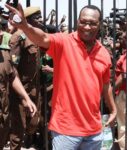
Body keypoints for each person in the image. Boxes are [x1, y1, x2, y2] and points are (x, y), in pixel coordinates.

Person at [6, 3, 117, 150]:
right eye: (83, 22)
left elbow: (105, 85)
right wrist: (25, 27)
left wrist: (113, 110)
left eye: (92, 23)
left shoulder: (103, 53)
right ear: (78, 21)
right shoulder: (64, 42)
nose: (87, 27)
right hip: (66, 131)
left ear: (100, 24)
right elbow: (43, 38)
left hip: (94, 131)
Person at [8, 6, 45, 150]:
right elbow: (12, 69)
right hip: (20, 92)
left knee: (34, 124)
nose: (41, 21)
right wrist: (22, 96)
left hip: (34, 90)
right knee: (18, 130)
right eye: (37, 18)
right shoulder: (19, 37)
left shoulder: (35, 36)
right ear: (27, 20)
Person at [0, 19, 37, 150]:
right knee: (18, 128)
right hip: (14, 96)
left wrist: (25, 98)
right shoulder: (17, 38)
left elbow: (12, 74)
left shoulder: (3, 52)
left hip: (2, 113)